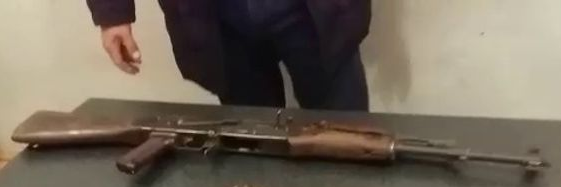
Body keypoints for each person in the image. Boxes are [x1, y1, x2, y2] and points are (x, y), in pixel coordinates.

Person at [86, 0, 372, 111]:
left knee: (347, 137)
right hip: (217, 20)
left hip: (317, 12)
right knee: (252, 150)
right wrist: (112, 12)